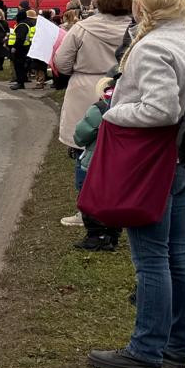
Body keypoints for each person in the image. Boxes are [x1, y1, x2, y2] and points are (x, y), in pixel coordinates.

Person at [87, 0, 185, 368]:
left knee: (151, 258)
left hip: (152, 158)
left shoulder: (153, 47)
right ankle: (178, 345)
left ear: (146, 5)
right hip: (180, 158)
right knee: (179, 254)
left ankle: (147, 349)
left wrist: (113, 110)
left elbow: (161, 109)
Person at [54, 0, 134, 228]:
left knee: (83, 152)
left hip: (85, 91)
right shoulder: (137, 29)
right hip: (122, 90)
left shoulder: (82, 28)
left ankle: (85, 210)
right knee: (118, 154)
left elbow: (62, 62)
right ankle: (119, 206)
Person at [72, 78, 120, 253]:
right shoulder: (128, 107)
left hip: (95, 162)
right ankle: (112, 236)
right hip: (119, 164)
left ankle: (95, 236)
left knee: (89, 198)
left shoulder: (100, 109)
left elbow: (81, 135)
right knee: (114, 200)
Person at [8, 5, 35, 89]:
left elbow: (20, 38)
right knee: (21, 66)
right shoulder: (25, 24)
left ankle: (20, 83)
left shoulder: (22, 25)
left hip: (21, 49)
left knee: (18, 66)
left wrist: (14, 47)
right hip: (25, 47)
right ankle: (21, 81)